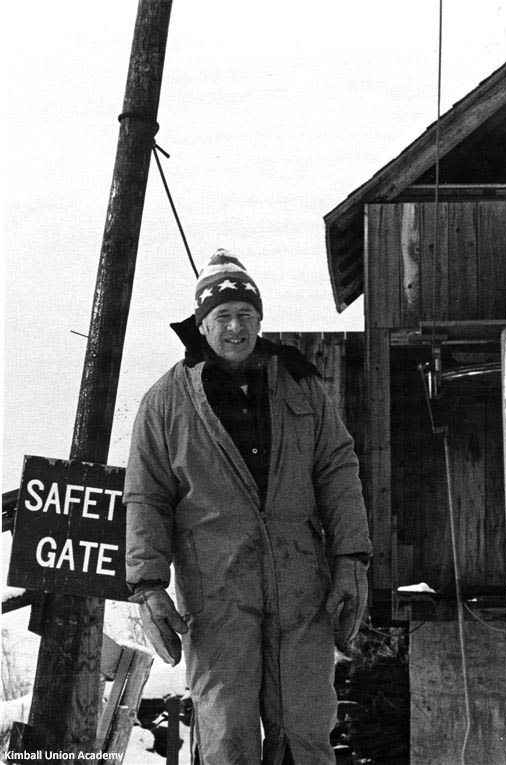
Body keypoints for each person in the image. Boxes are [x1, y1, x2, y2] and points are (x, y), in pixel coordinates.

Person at [124, 249, 372, 764]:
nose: (236, 327)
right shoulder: (165, 402)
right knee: (228, 731)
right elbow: (146, 497)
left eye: (246, 315)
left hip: (301, 580)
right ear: (201, 324)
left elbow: (337, 469)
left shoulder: (301, 385)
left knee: (305, 731)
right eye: (223, 317)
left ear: (260, 319)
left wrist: (351, 560)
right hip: (215, 587)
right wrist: (148, 587)